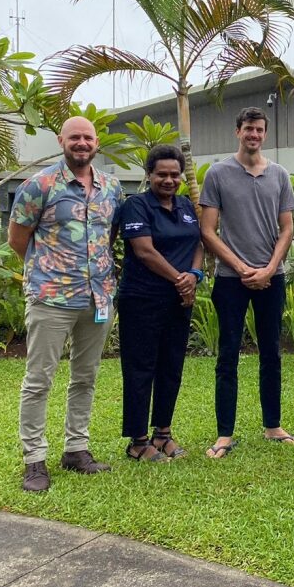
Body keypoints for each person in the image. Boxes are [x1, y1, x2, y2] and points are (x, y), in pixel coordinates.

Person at [8, 116, 125, 491]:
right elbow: (17, 240)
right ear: (62, 140)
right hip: (51, 299)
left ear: (96, 143)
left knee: (85, 377)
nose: (81, 143)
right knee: (39, 380)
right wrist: (52, 271)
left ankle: (76, 449)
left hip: (98, 299)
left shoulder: (112, 187)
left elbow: (111, 237)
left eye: (87, 137)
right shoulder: (38, 186)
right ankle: (34, 460)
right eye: (74, 137)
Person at [199, 107, 294, 458]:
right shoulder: (218, 173)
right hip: (230, 279)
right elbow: (208, 231)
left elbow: (287, 228)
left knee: (271, 352)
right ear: (237, 131)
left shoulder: (279, 175)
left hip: (272, 277)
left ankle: (273, 426)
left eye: (259, 129)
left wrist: (271, 268)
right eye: (248, 129)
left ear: (265, 134)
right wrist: (242, 268)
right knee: (227, 354)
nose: (253, 135)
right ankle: (224, 433)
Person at [117, 145, 204, 461]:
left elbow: (199, 242)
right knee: (141, 368)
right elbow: (144, 251)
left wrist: (194, 274)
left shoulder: (185, 206)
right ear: (149, 175)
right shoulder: (137, 206)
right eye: (161, 174)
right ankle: (138, 441)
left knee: (171, 367)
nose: (169, 180)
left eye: (174, 174)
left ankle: (163, 434)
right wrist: (179, 279)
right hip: (141, 299)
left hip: (179, 301)